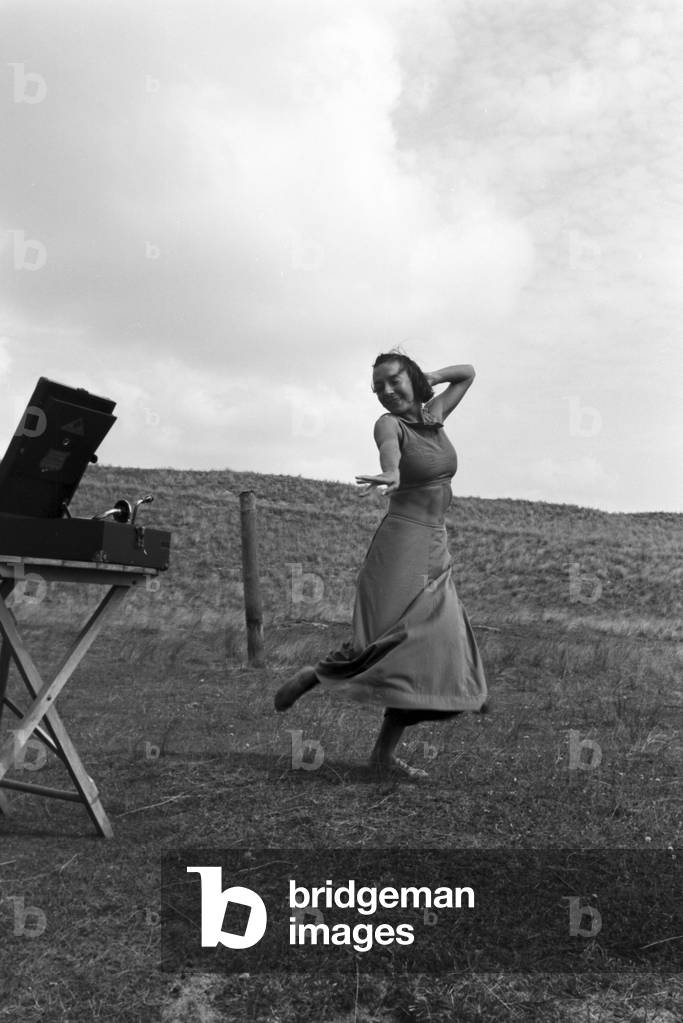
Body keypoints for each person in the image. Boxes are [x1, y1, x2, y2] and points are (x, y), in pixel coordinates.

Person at [274, 349, 488, 779]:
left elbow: (467, 373)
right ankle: (315, 674)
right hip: (402, 543)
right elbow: (389, 451)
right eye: (378, 388)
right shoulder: (389, 425)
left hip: (434, 542)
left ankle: (382, 757)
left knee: (431, 644)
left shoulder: (434, 414)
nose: (386, 392)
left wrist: (427, 376)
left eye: (394, 380)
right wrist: (391, 472)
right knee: (388, 637)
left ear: (412, 377)